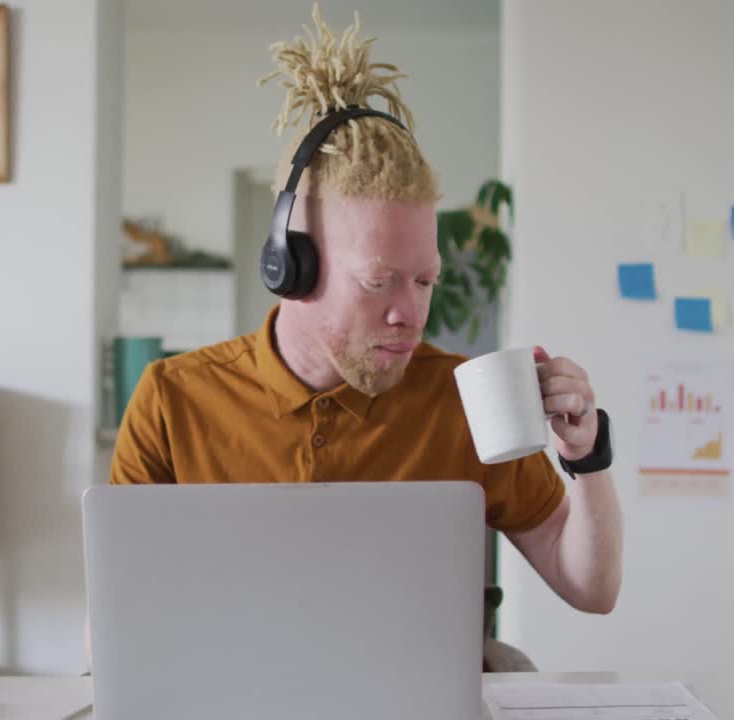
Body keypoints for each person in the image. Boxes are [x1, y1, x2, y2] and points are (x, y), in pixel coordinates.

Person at [101, 4, 622, 664]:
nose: (411, 312)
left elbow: (591, 588)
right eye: (380, 282)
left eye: (425, 282)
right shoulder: (174, 398)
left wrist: (588, 460)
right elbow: (115, 624)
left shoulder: (464, 400)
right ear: (291, 266)